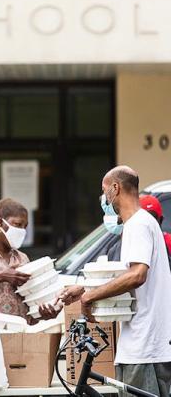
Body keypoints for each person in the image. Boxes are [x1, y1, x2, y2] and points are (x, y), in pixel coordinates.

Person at [59, 166, 171, 397]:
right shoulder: (138, 223)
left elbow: (137, 275)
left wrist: (89, 297)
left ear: (115, 188)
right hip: (144, 342)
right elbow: (122, 276)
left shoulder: (138, 224)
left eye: (104, 191)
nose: (103, 198)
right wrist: (85, 288)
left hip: (144, 345)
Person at [107, 195, 171, 269]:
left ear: (160, 221)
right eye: (142, 221)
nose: (147, 225)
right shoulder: (116, 250)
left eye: (152, 220)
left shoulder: (166, 244)